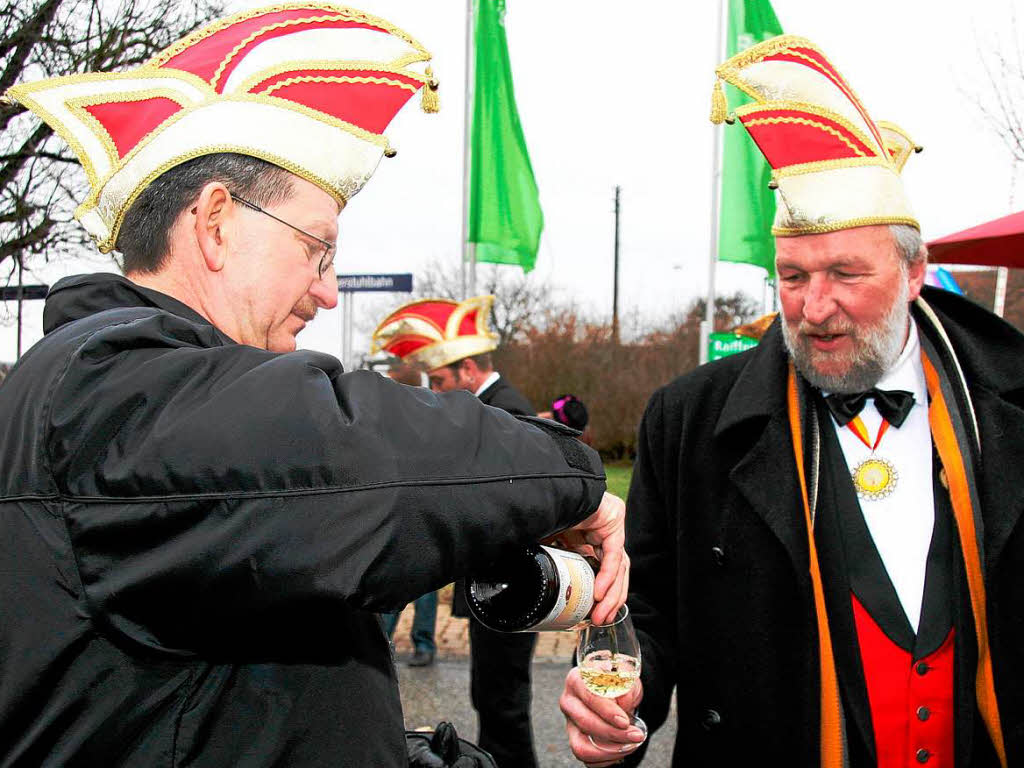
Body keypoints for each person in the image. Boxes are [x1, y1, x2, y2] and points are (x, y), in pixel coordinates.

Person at [0, 7, 629, 766]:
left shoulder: (133, 389)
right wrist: (571, 478)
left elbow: (241, 709)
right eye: (316, 248)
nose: (327, 292)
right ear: (217, 222)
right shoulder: (108, 388)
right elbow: (356, 460)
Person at [561, 35, 1022, 767]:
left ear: (913, 272)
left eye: (845, 272)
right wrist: (617, 705)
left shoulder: (1007, 401)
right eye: (793, 276)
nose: (814, 307)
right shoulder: (690, 420)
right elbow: (647, 612)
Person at [372, 296, 547, 768]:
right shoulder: (488, 407)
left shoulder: (505, 411)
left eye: (441, 381)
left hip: (513, 588)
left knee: (503, 708)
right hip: (498, 585)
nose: (436, 391)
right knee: (490, 700)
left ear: (468, 369)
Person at [379, 359, 438, 667]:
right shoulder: (390, 421)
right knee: (393, 588)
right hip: (398, 518)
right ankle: (386, 644)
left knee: (424, 592)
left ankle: (422, 644)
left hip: (423, 518)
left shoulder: (426, 421)